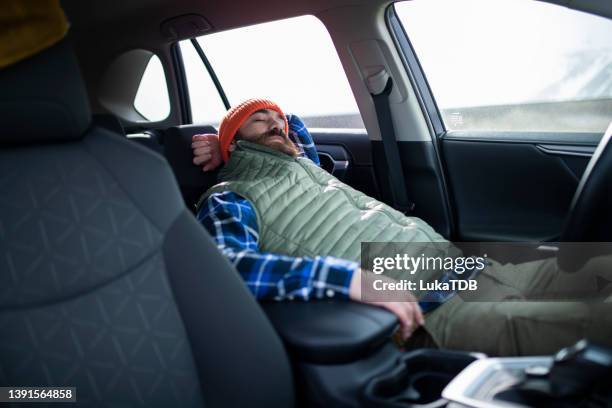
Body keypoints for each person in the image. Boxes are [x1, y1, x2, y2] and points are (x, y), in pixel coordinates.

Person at [193, 98, 612, 355]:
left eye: (276, 117)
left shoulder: (307, 167)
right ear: (236, 143)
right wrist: (346, 277)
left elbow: (294, 124)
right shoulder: (230, 195)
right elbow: (227, 269)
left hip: (471, 269)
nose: (276, 124)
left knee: (601, 266)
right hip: (434, 312)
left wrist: (240, 134)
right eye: (258, 121)